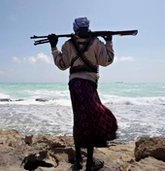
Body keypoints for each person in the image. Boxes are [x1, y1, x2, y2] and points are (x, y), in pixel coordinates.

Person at [48, 17, 118, 171]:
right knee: (93, 119)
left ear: (75, 29)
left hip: (74, 85)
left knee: (79, 120)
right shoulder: (96, 42)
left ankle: (79, 161)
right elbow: (107, 60)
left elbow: (62, 65)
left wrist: (54, 47)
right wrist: (109, 42)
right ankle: (90, 163)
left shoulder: (67, 45)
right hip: (89, 85)